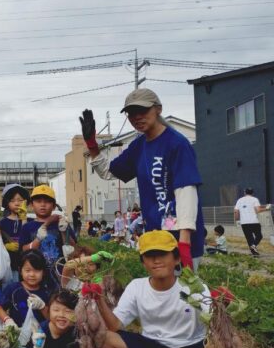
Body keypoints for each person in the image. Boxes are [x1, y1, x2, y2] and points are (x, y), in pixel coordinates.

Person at [80, 88, 206, 270]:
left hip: (179, 237)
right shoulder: (138, 147)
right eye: (131, 113)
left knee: (185, 293)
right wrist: (92, 144)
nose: (137, 117)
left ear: (158, 109)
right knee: (160, 293)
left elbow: (186, 191)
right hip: (154, 237)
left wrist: (184, 242)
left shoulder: (177, 144)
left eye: (143, 111)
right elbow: (109, 171)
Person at [19, 185, 71, 287]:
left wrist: (64, 231)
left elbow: (73, 251)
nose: (43, 205)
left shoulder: (61, 224)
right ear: (32, 205)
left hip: (59, 274)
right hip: (35, 276)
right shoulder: (27, 227)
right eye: (38, 201)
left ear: (54, 205)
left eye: (47, 201)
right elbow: (23, 250)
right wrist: (37, 240)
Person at [0, 249, 53, 327]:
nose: (32, 274)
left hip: (40, 335)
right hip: (17, 333)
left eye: (36, 270)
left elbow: (51, 318)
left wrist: (42, 307)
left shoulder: (48, 292)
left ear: (43, 272)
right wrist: (7, 320)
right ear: (20, 271)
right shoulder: (13, 288)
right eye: (28, 270)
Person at [0, 183, 30, 282]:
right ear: (7, 203)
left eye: (20, 200)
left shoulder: (29, 221)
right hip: (8, 264)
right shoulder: (2, 223)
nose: (17, 203)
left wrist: (24, 219)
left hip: (25, 263)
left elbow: (27, 236)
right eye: (12, 201)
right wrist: (6, 246)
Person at [234, 188, 271, 256]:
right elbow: (258, 210)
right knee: (259, 236)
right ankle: (254, 247)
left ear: (245, 192)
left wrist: (237, 219)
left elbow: (236, 211)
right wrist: (267, 208)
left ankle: (254, 251)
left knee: (249, 238)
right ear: (252, 193)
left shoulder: (239, 200)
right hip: (254, 221)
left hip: (244, 223)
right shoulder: (255, 199)